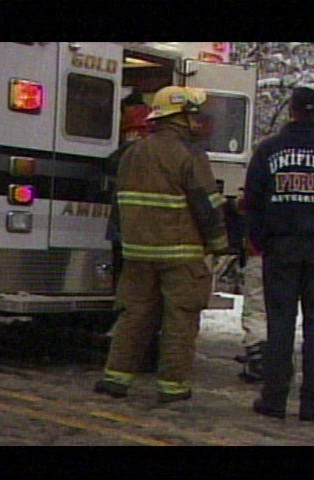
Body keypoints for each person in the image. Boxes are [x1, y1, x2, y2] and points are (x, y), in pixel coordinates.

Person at [95, 86, 229, 403]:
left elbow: (118, 204)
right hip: (180, 253)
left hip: (138, 252)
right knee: (180, 319)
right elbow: (206, 204)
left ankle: (115, 378)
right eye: (193, 115)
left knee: (134, 316)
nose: (198, 121)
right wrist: (219, 243)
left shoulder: (131, 153)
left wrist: (124, 241)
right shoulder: (189, 154)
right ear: (180, 117)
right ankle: (173, 386)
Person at [244, 86, 314, 420]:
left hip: (281, 246)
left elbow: (252, 201)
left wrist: (260, 241)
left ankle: (274, 398)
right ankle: (313, 400)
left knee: (280, 325)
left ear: (291, 111)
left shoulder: (269, 150)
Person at [104, 91, 158, 373]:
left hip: (123, 236)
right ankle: (145, 355)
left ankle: (125, 359)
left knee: (129, 301)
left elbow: (110, 166)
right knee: (147, 301)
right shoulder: (156, 155)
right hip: (147, 238)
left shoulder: (123, 155)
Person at [233, 189, 268, 383]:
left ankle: (258, 358)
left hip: (259, 252)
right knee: (278, 309)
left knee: (256, 307)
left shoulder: (264, 172)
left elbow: (248, 204)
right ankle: (277, 358)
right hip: (288, 254)